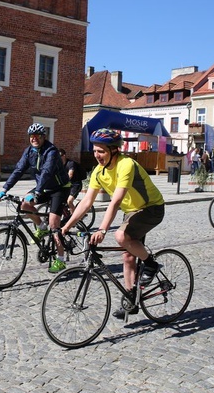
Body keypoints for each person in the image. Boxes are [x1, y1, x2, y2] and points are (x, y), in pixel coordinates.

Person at [62, 128, 164, 319]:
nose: (97, 155)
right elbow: (86, 202)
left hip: (152, 207)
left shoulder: (126, 165)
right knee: (127, 255)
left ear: (114, 150)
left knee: (120, 236)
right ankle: (131, 299)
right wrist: (66, 226)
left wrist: (102, 229)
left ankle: (150, 264)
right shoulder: (99, 172)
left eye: (101, 151)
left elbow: (115, 201)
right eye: (94, 150)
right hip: (133, 211)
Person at [0, 123, 70, 273]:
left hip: (59, 188)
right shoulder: (29, 151)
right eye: (32, 136)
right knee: (24, 205)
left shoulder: (52, 151)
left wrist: (36, 192)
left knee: (54, 224)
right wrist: (5, 188)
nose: (34, 139)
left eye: (37, 136)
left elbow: (47, 172)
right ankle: (41, 228)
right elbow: (18, 170)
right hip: (43, 187)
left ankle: (61, 260)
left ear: (43, 137)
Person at [59, 149, 86, 214]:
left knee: (69, 201)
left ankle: (74, 219)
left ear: (64, 155)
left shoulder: (71, 163)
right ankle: (66, 214)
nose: (59, 158)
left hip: (75, 185)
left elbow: (70, 174)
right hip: (67, 185)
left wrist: (63, 181)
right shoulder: (59, 165)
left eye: (60, 156)